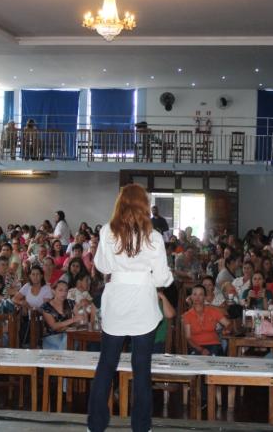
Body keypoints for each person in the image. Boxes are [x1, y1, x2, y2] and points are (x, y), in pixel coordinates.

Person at [87, 184, 174, 432]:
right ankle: (141, 427)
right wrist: (156, 278)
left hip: (116, 300)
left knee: (106, 365)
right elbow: (161, 278)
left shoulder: (107, 231)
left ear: (120, 203)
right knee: (142, 368)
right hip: (143, 303)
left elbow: (103, 266)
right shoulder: (154, 236)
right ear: (144, 205)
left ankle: (95, 425)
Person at [183, 285, 231, 356]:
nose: (197, 297)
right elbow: (188, 338)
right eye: (195, 294)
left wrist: (227, 329)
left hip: (214, 344)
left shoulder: (213, 311)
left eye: (201, 294)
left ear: (204, 297)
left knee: (215, 357)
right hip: (196, 346)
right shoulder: (187, 315)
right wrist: (201, 349)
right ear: (191, 297)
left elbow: (228, 324)